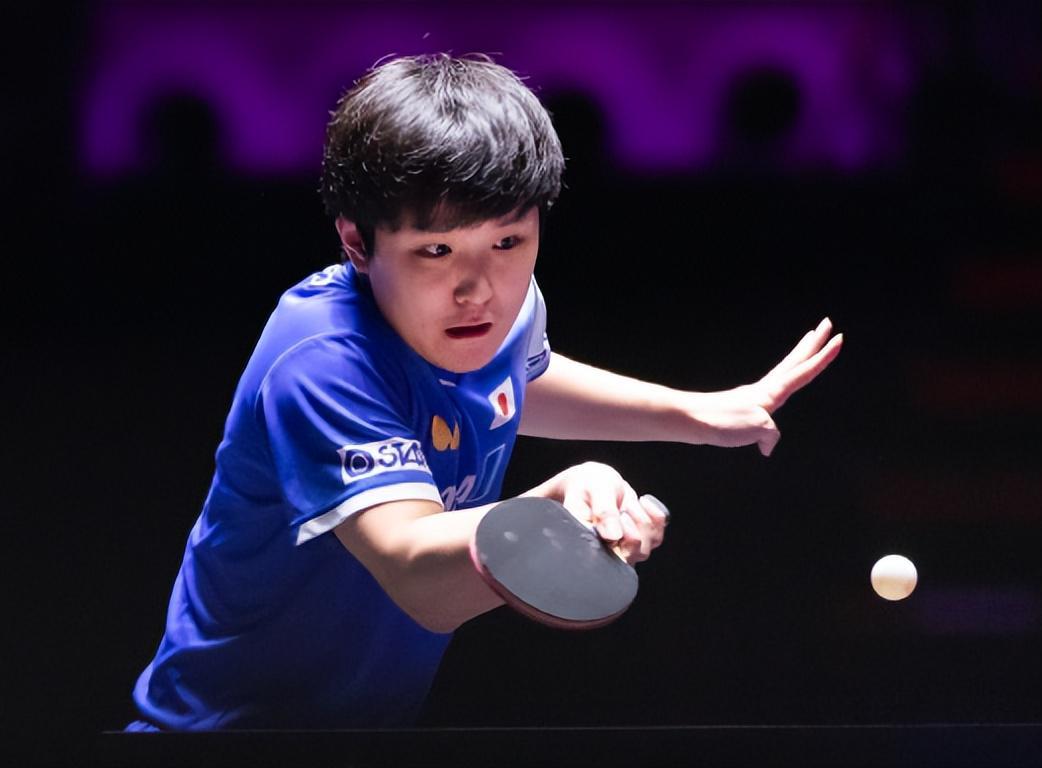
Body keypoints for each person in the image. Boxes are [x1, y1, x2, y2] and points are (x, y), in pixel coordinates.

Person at [127, 53, 842, 731]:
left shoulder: (505, 308)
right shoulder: (323, 359)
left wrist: (698, 414)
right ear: (357, 241)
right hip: (219, 742)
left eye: (508, 242)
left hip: (364, 738)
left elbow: (515, 380)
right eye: (436, 250)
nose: (479, 290)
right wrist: (553, 509)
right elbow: (419, 577)